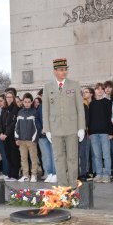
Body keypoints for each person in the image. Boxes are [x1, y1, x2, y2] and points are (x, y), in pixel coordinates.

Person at [42, 58, 85, 188]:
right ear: (55, 71)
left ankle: (72, 185)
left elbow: (80, 108)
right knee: (58, 158)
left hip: (72, 127)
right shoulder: (48, 86)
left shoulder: (74, 84)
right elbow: (45, 109)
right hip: (55, 128)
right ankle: (62, 186)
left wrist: (81, 127)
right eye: (61, 70)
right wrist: (47, 129)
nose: (64, 72)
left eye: (65, 69)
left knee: (72, 157)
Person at [88, 83, 113, 183]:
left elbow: (110, 118)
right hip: (94, 134)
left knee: (106, 155)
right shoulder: (92, 104)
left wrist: (111, 132)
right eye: (97, 89)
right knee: (97, 155)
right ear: (95, 91)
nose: (99, 91)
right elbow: (90, 119)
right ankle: (98, 174)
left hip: (105, 133)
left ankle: (107, 174)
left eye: (101, 89)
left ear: (103, 91)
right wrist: (89, 132)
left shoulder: (108, 102)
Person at [15, 93, 39, 182]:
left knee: (33, 158)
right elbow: (17, 126)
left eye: (29, 102)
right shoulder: (20, 112)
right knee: (23, 158)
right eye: (25, 102)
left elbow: (37, 127)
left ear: (31, 102)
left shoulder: (34, 112)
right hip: (21, 141)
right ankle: (26, 175)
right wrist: (17, 138)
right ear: (23, 102)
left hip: (31, 140)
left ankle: (34, 175)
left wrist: (34, 139)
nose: (27, 103)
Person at [0, 91, 21, 181]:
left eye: (10, 97)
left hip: (12, 135)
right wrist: (0, 133)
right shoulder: (4, 109)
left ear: (13, 98)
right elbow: (0, 122)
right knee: (7, 155)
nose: (9, 99)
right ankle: (10, 173)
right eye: (7, 97)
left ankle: (15, 175)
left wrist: (6, 134)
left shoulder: (16, 109)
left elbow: (14, 123)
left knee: (14, 155)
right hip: (4, 136)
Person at [35, 94, 57, 183]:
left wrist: (50, 129)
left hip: (53, 135)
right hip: (43, 136)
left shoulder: (55, 106)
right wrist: (41, 129)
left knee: (54, 155)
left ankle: (55, 174)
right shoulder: (40, 107)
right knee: (46, 156)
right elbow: (37, 120)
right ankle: (49, 173)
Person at [0, 94, 9, 180]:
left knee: (4, 155)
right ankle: (5, 171)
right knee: (2, 155)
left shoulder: (5, 110)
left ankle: (6, 172)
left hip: (3, 135)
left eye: (1, 101)